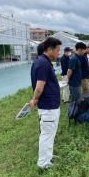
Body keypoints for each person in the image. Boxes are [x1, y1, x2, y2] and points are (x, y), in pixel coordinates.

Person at [29, 37, 62, 169]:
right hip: (48, 107)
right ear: (49, 49)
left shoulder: (43, 62)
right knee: (47, 135)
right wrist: (35, 99)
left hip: (51, 106)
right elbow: (39, 86)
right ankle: (43, 164)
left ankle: (48, 157)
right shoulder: (43, 63)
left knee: (49, 133)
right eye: (57, 50)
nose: (58, 53)